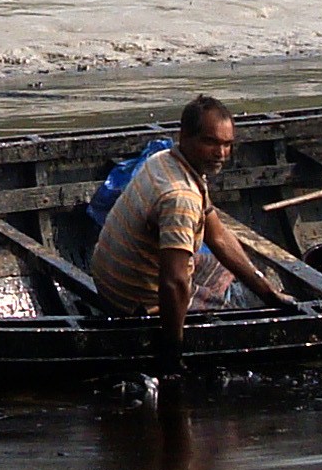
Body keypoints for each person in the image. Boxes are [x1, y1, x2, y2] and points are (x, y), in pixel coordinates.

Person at [89, 95, 298, 369]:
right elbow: (173, 283)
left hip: (108, 279)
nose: (220, 153)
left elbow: (218, 235)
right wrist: (173, 352)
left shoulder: (166, 159)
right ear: (185, 136)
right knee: (234, 303)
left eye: (227, 144)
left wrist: (268, 291)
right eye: (210, 142)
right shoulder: (181, 197)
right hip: (134, 299)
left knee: (232, 273)